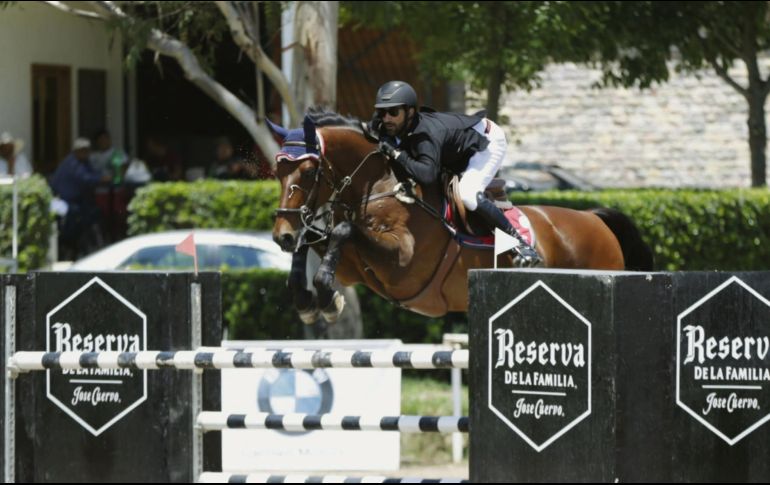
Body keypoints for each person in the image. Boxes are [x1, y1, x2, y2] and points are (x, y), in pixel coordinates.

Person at [370, 80, 541, 266]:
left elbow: (427, 176)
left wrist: (396, 154)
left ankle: (520, 244)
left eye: (393, 112)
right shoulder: (396, 125)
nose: (386, 118)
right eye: (382, 112)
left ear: (410, 112)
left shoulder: (426, 137)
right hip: (462, 147)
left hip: (487, 142)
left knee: (468, 195)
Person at [49, 138, 110, 259]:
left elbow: (92, 173)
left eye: (87, 150)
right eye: (82, 150)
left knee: (93, 215)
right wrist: (101, 179)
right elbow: (85, 178)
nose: (85, 153)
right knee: (75, 224)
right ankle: (69, 249)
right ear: (76, 151)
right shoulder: (72, 163)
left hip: (79, 201)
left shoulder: (84, 162)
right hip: (66, 202)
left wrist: (101, 177)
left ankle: (87, 248)